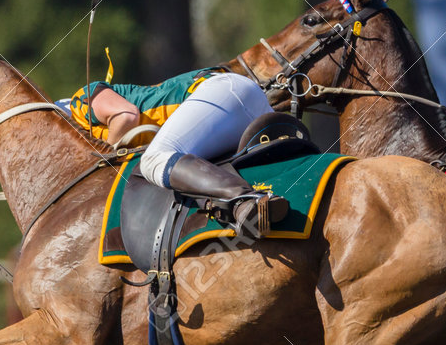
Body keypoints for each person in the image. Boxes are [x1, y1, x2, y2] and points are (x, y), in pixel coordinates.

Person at [69, 67, 288, 234]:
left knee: (152, 160)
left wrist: (107, 166)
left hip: (222, 93)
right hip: (236, 110)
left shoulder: (78, 103)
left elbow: (126, 115)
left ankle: (244, 199)